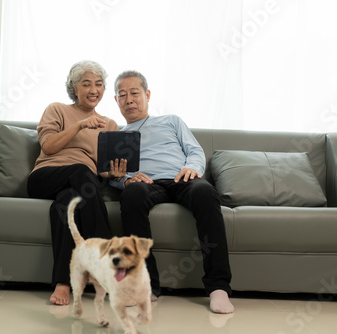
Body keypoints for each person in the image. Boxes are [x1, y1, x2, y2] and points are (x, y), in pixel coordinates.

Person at [109, 70, 234, 314]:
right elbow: (113, 177)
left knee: (205, 193)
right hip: (146, 184)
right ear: (116, 101)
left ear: (147, 95)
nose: (129, 99)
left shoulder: (171, 121)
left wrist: (192, 168)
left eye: (134, 93)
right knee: (131, 195)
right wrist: (126, 180)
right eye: (122, 95)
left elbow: (195, 151)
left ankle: (218, 287)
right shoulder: (116, 138)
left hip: (181, 178)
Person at [27, 60, 125, 305]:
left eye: (99, 84)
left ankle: (63, 283)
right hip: (46, 177)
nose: (94, 90)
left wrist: (112, 174)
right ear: (74, 87)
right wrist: (80, 125)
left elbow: (102, 171)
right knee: (81, 171)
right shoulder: (57, 109)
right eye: (86, 84)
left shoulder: (110, 125)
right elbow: (48, 146)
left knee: (65, 205)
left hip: (83, 184)